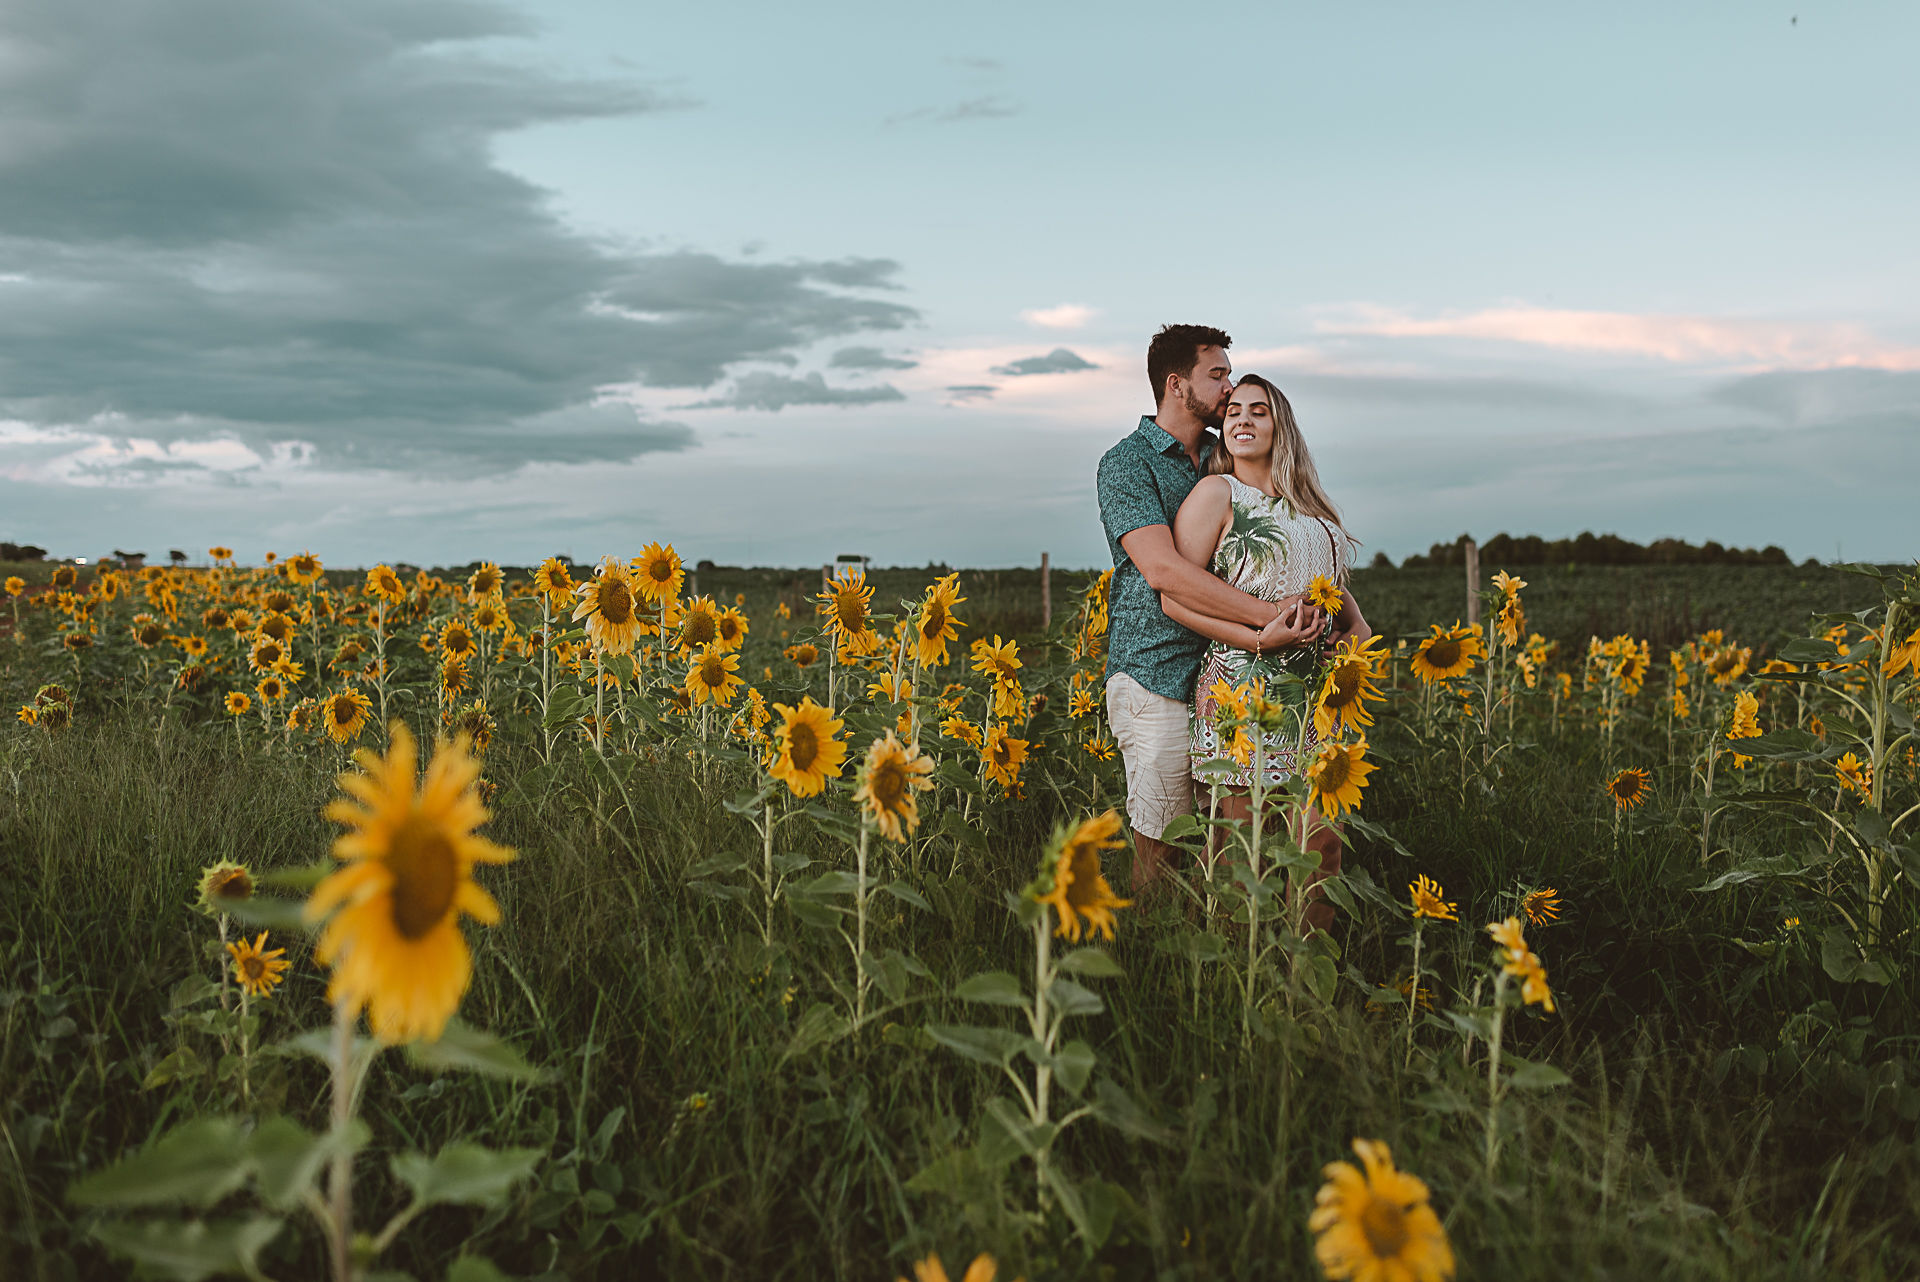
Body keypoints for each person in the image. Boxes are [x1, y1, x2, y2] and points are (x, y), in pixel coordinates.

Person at [1096, 326, 1323, 893]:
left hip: (1222, 682)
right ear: (1177, 385)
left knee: (1220, 848)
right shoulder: (1127, 463)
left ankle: (1209, 961)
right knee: (1164, 845)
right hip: (1157, 674)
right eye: (1217, 376)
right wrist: (1267, 617)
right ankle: (1148, 963)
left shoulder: (1221, 460)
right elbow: (1164, 574)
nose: (1228, 390)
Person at [1164, 374, 1371, 931]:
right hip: (1243, 690)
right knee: (1242, 850)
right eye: (1232, 412)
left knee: (1320, 848)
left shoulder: (1314, 514)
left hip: (1316, 702)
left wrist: (1348, 646)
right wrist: (1260, 637)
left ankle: (1303, 989)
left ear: (1282, 426)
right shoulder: (1218, 494)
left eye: (1259, 411)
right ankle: (1232, 984)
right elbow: (1176, 602)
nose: (1242, 420)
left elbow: (1355, 618)